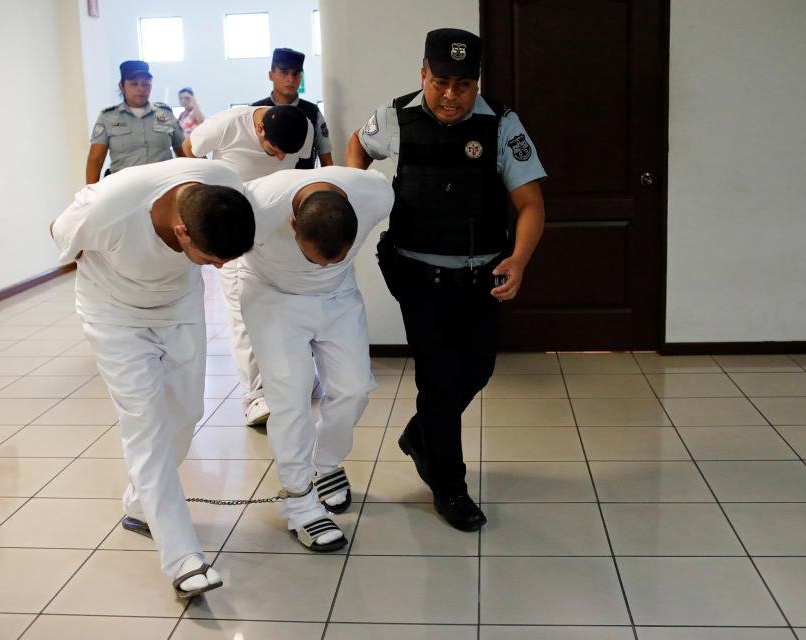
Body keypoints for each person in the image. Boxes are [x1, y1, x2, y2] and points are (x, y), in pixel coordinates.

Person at [345, 28, 546, 532]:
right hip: (416, 273)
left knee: (476, 371)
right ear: (423, 75)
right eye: (440, 82)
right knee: (439, 380)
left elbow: (529, 204)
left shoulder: (502, 123)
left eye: (463, 83)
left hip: (482, 276)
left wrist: (518, 260)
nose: (451, 95)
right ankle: (449, 485)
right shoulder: (395, 116)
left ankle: (421, 435)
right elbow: (357, 145)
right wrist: (360, 193)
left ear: (476, 81)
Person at [50, 158, 255, 598]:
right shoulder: (108, 208)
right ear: (182, 230)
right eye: (210, 260)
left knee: (186, 413)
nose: (218, 269)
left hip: (178, 307)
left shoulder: (224, 185)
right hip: (115, 316)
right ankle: (183, 560)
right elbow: (60, 232)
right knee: (146, 427)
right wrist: (105, 257)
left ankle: (140, 505)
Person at [240, 166, 394, 550]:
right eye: (316, 257)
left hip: (338, 296)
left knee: (355, 388)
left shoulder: (375, 195)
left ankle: (326, 464)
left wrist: (335, 272)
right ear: (291, 223)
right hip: (272, 296)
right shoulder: (255, 206)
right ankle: (300, 503)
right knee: (290, 399)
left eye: (335, 256)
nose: (324, 263)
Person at [184, 104, 312, 426]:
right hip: (232, 229)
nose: (282, 158)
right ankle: (255, 396)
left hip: (278, 227)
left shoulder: (302, 127)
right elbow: (189, 151)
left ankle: (294, 377)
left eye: (288, 152)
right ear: (259, 131)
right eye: (275, 151)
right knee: (242, 312)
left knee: (288, 304)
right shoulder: (225, 125)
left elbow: (300, 172)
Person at [86, 60, 184, 184]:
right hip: (123, 188)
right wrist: (90, 195)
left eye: (145, 84)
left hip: (163, 187)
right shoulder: (108, 117)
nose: (140, 89)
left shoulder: (166, 114)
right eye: (134, 84)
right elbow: (96, 160)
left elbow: (184, 153)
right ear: (121, 86)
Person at [252, 48, 333, 168]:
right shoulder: (255, 111)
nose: (290, 79)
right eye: (284, 72)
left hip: (304, 184)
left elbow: (327, 162)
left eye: (295, 73)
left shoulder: (312, 112)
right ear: (271, 75)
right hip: (264, 183)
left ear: (301, 77)